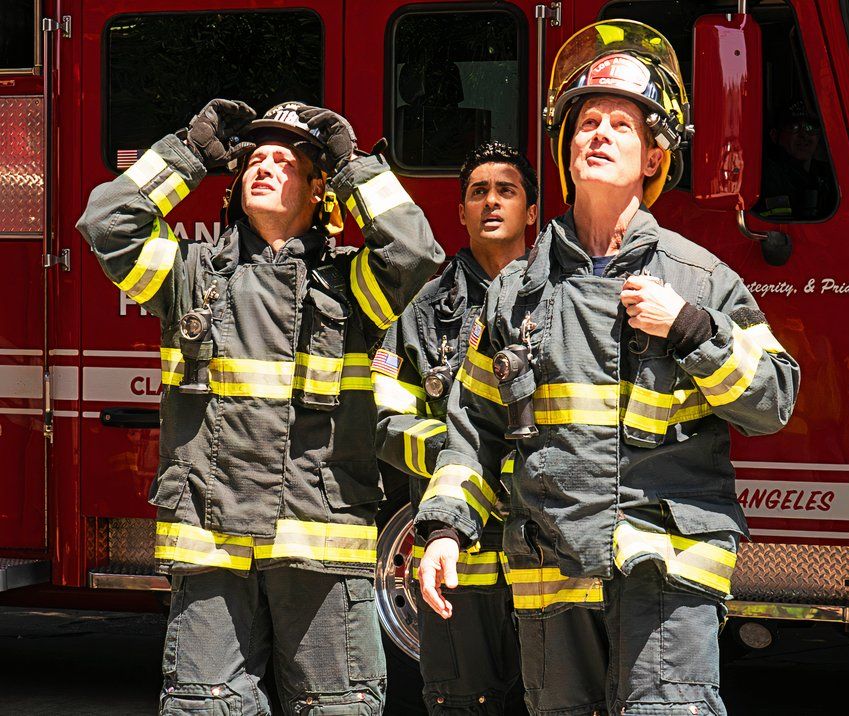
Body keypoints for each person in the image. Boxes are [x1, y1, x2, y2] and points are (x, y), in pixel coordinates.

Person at [415, 20, 800, 715]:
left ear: (653, 159)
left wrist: (689, 329)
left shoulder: (699, 281)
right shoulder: (515, 292)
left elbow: (773, 401)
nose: (597, 134)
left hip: (665, 576)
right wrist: (445, 527)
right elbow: (472, 433)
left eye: (621, 125)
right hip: (550, 578)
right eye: (587, 122)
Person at [77, 99, 444, 713]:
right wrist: (187, 155)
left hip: (321, 547)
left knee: (337, 706)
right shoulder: (189, 274)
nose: (264, 167)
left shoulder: (353, 286)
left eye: (285, 160)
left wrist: (355, 166)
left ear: (318, 190)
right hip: (212, 548)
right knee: (207, 705)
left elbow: (415, 253)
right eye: (253, 160)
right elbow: (108, 222)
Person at [372, 142, 536, 712]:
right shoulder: (421, 311)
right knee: (463, 701)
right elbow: (387, 421)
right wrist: (457, 454)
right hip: (457, 553)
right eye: (477, 192)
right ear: (461, 213)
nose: (491, 202)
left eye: (506, 190)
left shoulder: (562, 299)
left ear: (531, 211)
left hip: (545, 548)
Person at [758, 101, 836, 220]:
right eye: (793, 127)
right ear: (774, 135)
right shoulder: (767, 178)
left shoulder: (831, 175)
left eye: (810, 127)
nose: (804, 135)